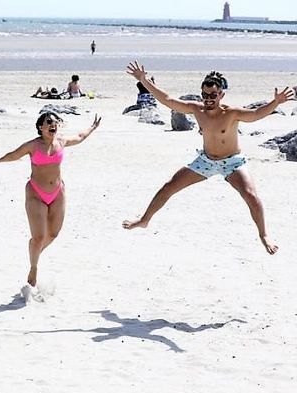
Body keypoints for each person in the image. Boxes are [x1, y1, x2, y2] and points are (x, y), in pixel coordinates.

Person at [123, 61, 295, 254]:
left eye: (213, 95)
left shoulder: (231, 113)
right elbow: (168, 99)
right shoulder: (197, 109)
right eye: (205, 95)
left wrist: (275, 103)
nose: (208, 99)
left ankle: (264, 236)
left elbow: (255, 114)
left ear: (221, 94)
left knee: (252, 197)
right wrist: (144, 81)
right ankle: (145, 220)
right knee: (168, 187)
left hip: (232, 162)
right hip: (205, 161)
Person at [0, 113, 102, 286]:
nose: (53, 125)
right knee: (39, 237)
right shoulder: (33, 145)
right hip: (36, 192)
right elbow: (14, 154)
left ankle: (35, 251)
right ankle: (34, 267)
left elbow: (80, 137)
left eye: (55, 122)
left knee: (53, 234)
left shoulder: (61, 142)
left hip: (57, 192)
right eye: (49, 122)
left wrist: (92, 127)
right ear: (41, 127)